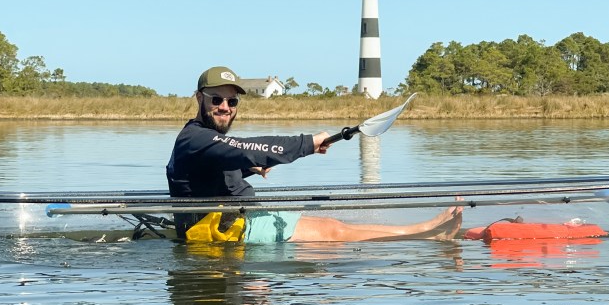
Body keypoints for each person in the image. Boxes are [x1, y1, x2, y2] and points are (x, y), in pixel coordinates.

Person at [166, 66, 462, 243]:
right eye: (216, 99)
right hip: (223, 230)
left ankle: (422, 231)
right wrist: (307, 142)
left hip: (240, 219)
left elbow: (217, 164)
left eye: (232, 101)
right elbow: (245, 148)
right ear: (199, 99)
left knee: (336, 226)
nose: (225, 107)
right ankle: (426, 233)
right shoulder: (195, 138)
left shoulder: (206, 141)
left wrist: (248, 169)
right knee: (332, 231)